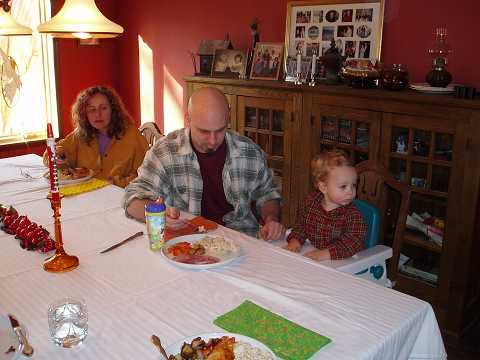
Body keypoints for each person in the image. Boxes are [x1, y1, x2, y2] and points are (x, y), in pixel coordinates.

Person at [123, 87, 285, 240]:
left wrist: (271, 218)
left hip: (240, 239)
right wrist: (158, 215)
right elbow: (132, 199)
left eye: (220, 130)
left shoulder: (249, 152)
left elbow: (268, 194)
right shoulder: (165, 152)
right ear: (188, 120)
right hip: (186, 240)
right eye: (204, 131)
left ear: (228, 119)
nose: (213, 141)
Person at [43, 86, 149, 188]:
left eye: (103, 108)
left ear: (113, 110)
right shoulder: (79, 135)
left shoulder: (133, 136)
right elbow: (50, 155)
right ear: (84, 113)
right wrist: (57, 154)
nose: (98, 114)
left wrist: (116, 182)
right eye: (92, 109)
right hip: (86, 196)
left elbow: (148, 174)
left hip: (120, 196)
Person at [284, 149, 366, 261]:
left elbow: (353, 242)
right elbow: (302, 225)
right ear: (323, 187)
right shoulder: (311, 203)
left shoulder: (353, 215)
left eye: (353, 185)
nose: (350, 191)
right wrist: (296, 240)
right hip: (316, 254)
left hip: (345, 261)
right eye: (343, 186)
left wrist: (327, 253)